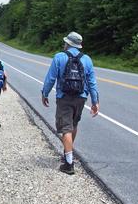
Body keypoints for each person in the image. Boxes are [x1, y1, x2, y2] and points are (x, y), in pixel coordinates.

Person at [41, 31, 100, 175]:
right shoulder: (87, 59)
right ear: (79, 45)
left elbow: (50, 78)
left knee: (65, 128)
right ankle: (68, 152)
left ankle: (68, 163)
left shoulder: (59, 57)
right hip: (81, 97)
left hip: (64, 97)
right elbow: (92, 82)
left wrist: (45, 93)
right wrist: (95, 101)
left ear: (68, 43)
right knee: (73, 125)